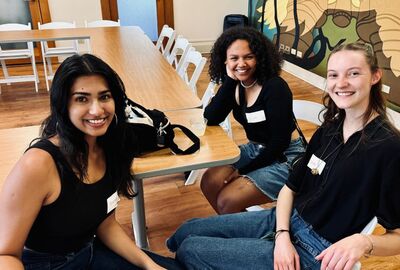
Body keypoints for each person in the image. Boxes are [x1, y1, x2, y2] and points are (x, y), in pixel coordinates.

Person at [166, 41, 400, 269]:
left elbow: (397, 236)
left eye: (353, 73)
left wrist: (364, 242)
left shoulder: (388, 147)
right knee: (186, 231)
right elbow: (289, 188)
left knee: (191, 250)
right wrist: (282, 235)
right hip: (286, 221)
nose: (342, 83)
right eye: (334, 75)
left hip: (316, 252)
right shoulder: (330, 128)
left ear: (375, 76)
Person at [0, 54, 182, 270]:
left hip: (88, 252)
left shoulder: (112, 147)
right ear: (63, 105)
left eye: (104, 97)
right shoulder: (38, 164)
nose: (97, 110)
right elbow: (6, 255)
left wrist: (149, 265)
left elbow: (105, 223)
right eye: (82, 99)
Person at [201, 26, 305, 214]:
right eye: (234, 58)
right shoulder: (237, 85)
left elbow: (279, 142)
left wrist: (242, 171)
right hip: (256, 148)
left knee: (227, 199)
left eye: (248, 56)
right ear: (224, 60)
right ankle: (238, 226)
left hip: (287, 156)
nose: (242, 63)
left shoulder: (275, 87)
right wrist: (230, 80)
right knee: (209, 181)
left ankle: (241, 231)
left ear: (259, 58)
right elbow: (211, 117)